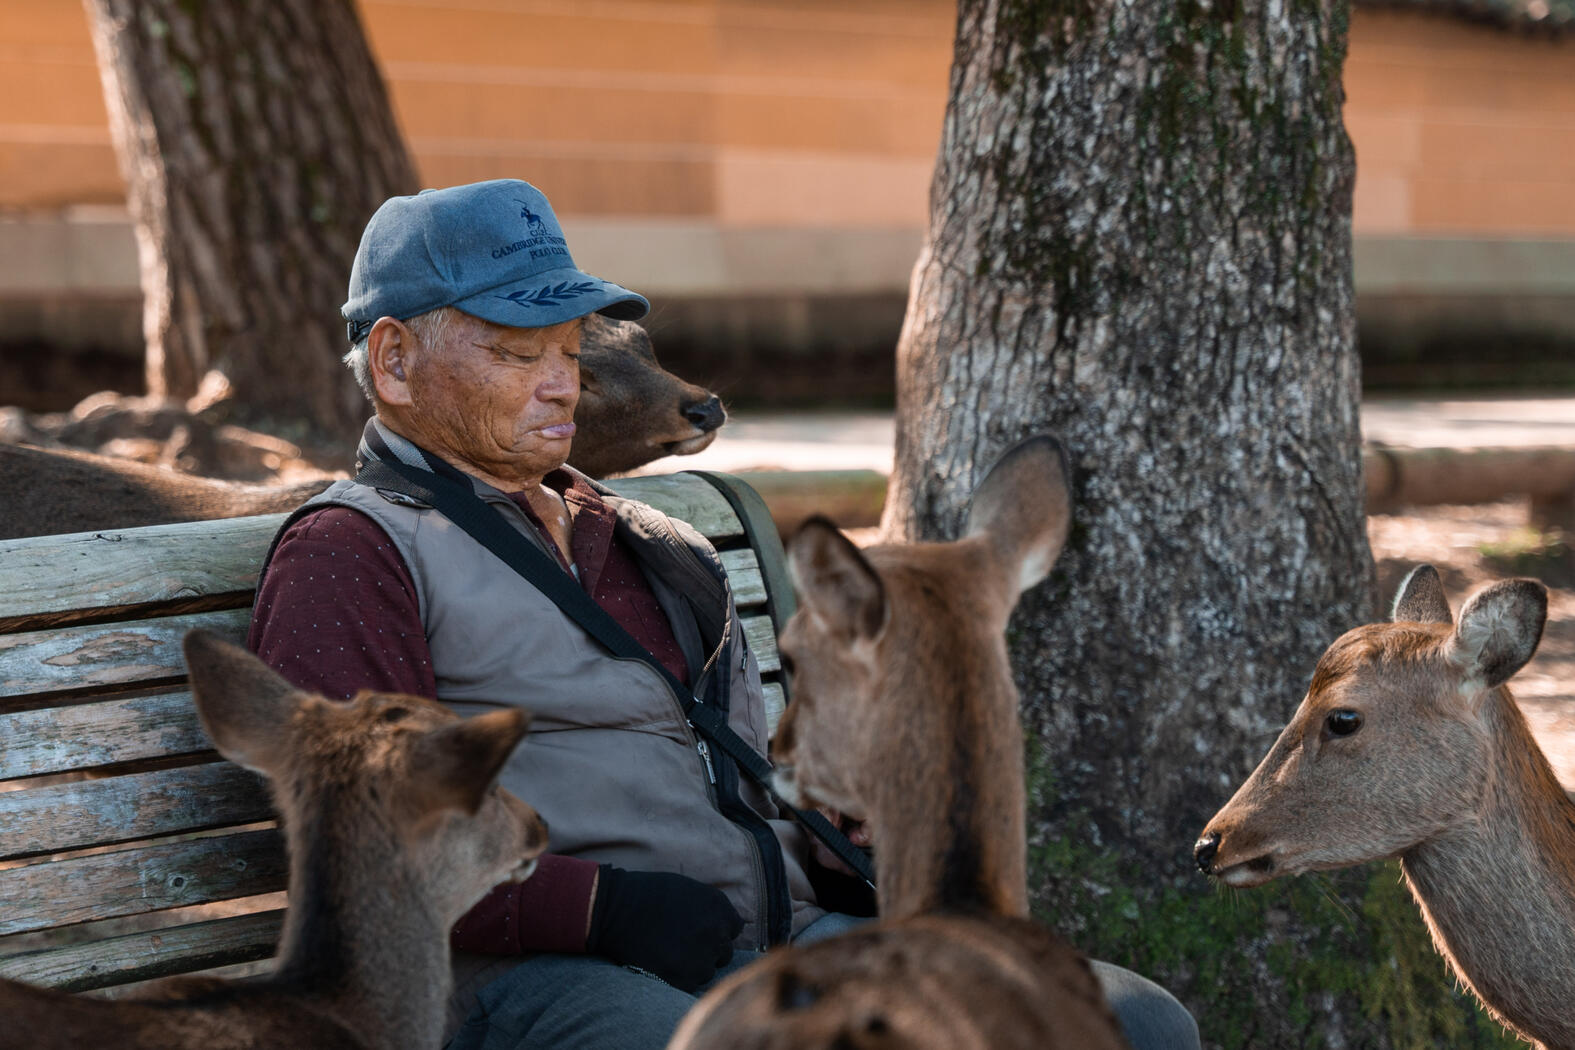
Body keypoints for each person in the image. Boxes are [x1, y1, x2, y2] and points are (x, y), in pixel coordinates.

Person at [247, 178, 1200, 1050]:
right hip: (523, 976)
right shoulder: (352, 553)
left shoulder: (652, 541)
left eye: (571, 352)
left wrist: (841, 837)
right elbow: (360, 851)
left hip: (773, 939)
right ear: (397, 361)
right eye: (515, 352)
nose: (561, 384)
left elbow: (748, 768)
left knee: (1132, 1022)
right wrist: (595, 909)